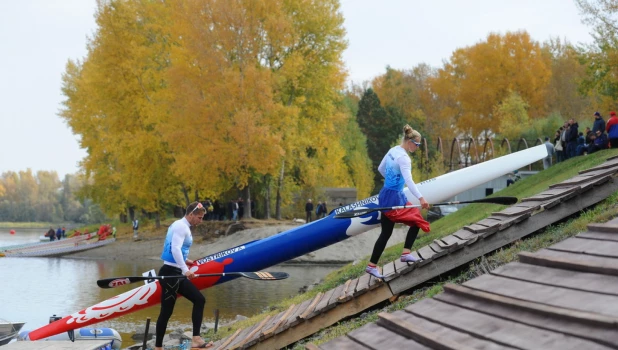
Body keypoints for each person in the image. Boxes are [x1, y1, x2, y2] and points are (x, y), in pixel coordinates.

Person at [366, 125, 431, 279]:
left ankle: (373, 265)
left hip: (385, 194)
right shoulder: (404, 159)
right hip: (394, 198)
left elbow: (381, 169)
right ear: (410, 142)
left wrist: (392, 181)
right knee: (417, 221)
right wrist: (421, 198)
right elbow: (409, 180)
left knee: (386, 233)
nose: (417, 147)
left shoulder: (393, 150)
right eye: (417, 144)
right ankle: (405, 253)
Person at [155, 202, 212, 350]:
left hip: (173, 273)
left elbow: (175, 249)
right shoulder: (182, 227)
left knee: (199, 300)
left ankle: (196, 339)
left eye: (202, 218)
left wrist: (185, 261)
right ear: (191, 214)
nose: (201, 220)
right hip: (170, 274)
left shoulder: (179, 224)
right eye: (199, 217)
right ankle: (158, 347)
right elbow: (174, 248)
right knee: (166, 311)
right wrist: (185, 269)